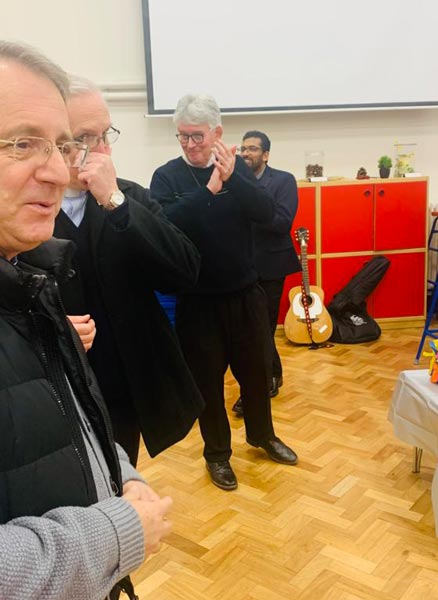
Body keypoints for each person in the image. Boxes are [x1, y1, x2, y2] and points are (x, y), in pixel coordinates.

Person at [0, 40, 172, 600]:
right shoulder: (31, 251)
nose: (59, 168)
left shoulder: (26, 272)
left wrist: (119, 476)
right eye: (24, 143)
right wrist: (116, 532)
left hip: (124, 382)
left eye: (63, 144)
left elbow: (183, 268)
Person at [53, 76, 204, 467]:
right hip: (57, 388)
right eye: (84, 138)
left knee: (122, 475)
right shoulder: (26, 207)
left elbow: (184, 271)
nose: (102, 151)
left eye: (106, 135)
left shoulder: (130, 197)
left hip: (124, 383)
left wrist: (115, 203)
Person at [150, 94, 298, 492]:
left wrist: (233, 179)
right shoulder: (167, 177)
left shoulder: (240, 171)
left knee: (257, 373)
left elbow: (267, 213)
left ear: (217, 133)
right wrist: (211, 189)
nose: (189, 144)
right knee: (208, 384)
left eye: (196, 136)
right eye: (182, 136)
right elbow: (166, 225)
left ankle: (262, 436)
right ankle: (217, 454)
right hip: (198, 301)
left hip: (246, 294)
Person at [232, 131, 300, 416]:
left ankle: (255, 390)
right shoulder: (233, 180)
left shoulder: (283, 181)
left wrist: (250, 210)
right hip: (240, 266)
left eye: (252, 149)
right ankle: (273, 374)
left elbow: (282, 221)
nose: (246, 153)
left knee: (263, 327)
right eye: (243, 148)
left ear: (266, 155)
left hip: (271, 266)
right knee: (250, 329)